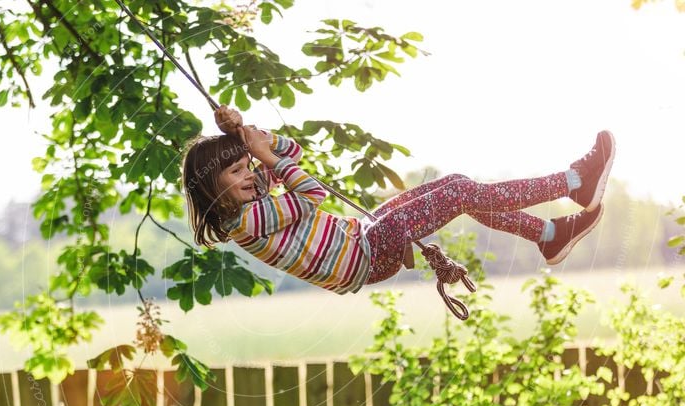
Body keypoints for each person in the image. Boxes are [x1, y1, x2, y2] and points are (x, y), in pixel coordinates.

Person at [180, 105, 614, 295]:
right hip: (366, 256)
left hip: (364, 238)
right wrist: (263, 156)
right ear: (213, 191)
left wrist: (246, 134)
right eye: (237, 172)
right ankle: (574, 182)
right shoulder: (247, 221)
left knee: (455, 186)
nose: (251, 175)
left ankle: (550, 235)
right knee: (461, 193)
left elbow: (290, 154)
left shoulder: (253, 201)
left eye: (247, 167)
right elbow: (310, 194)